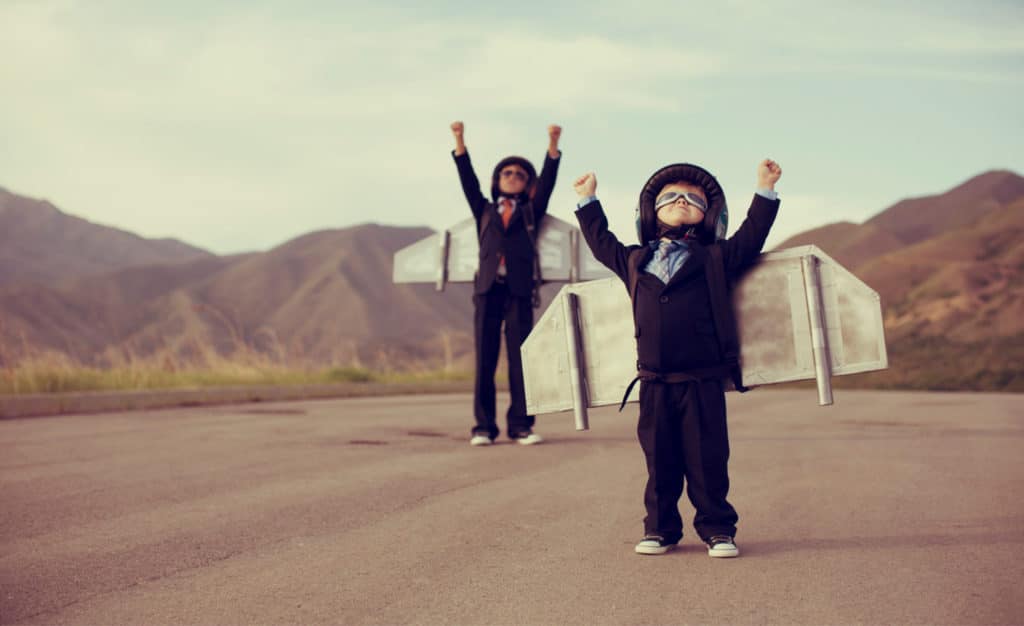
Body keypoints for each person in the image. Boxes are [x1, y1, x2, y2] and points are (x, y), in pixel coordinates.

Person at [572, 158, 782, 557]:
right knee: (660, 462)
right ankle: (660, 529)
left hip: (702, 380)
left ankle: (718, 529)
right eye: (670, 197)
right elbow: (601, 243)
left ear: (709, 215)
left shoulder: (717, 258)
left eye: (693, 198)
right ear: (652, 212)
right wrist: (587, 200)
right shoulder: (634, 260)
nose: (681, 200)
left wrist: (765, 188)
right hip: (653, 382)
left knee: (708, 460)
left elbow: (752, 235)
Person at [451, 121, 562, 446]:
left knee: (520, 359)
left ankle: (521, 426)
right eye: (507, 173)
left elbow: (548, 184)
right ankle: (483, 427)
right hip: (487, 290)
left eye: (520, 174)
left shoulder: (531, 211)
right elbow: (467, 181)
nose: (513, 176)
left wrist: (553, 145)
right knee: (485, 358)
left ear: (528, 185)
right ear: (497, 181)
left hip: (519, 291)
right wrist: (459, 140)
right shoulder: (484, 210)